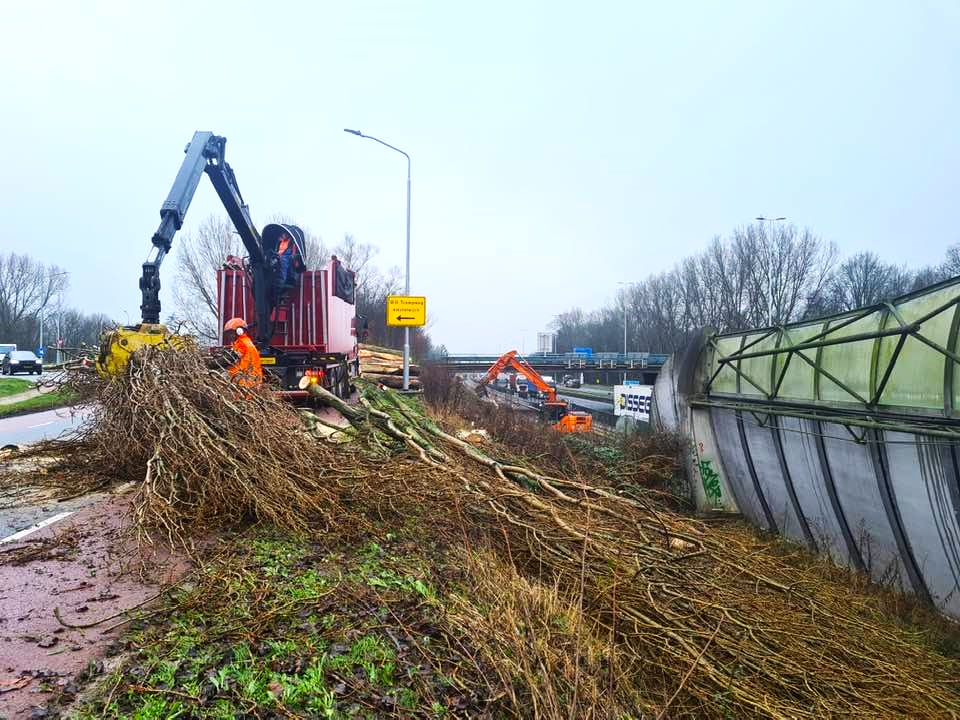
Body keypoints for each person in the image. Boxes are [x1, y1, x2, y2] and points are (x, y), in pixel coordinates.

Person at [223, 317, 263, 388]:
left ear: (239, 331)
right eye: (228, 334)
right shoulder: (243, 342)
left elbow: (231, 358)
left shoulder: (242, 343)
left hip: (246, 381)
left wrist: (212, 363)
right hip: (246, 380)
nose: (230, 336)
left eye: (231, 333)